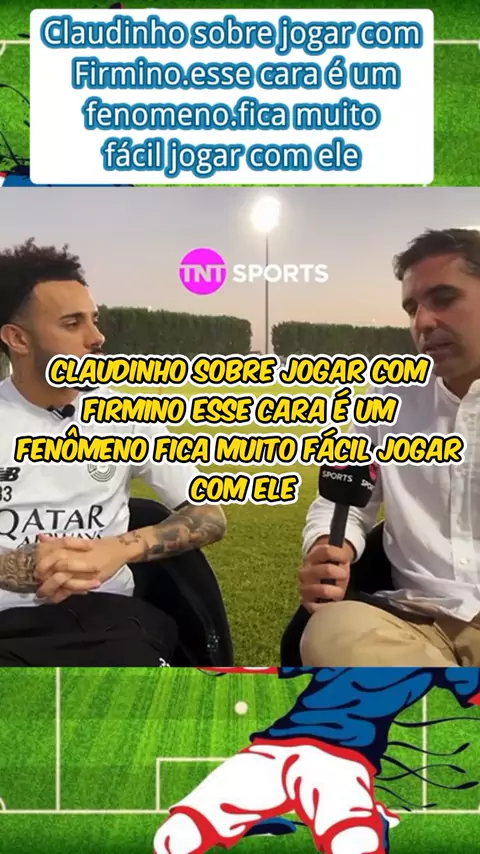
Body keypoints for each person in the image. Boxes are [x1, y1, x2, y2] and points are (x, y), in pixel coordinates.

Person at [0, 238, 227, 665]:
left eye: (94, 320)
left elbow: (209, 515)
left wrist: (118, 549)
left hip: (110, 624)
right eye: (72, 323)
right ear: (18, 339)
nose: (97, 337)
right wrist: (22, 568)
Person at [298, 227, 480, 666]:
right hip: (413, 623)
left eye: (443, 299)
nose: (422, 323)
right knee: (330, 631)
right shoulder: (386, 398)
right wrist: (328, 545)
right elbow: (342, 501)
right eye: (412, 308)